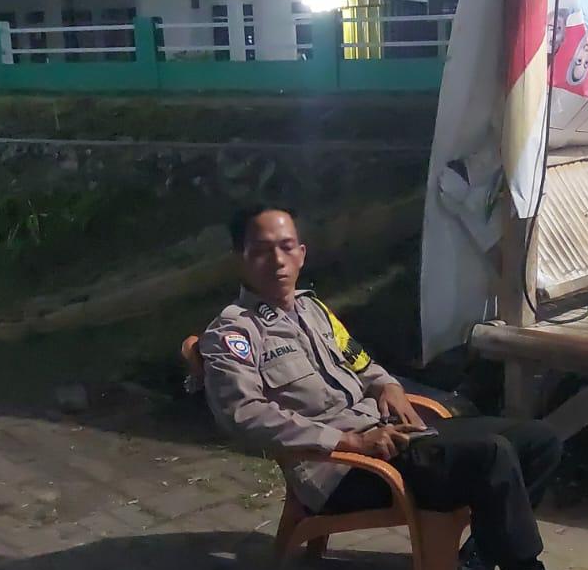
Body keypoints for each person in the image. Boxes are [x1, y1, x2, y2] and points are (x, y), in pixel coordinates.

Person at [195, 204, 561, 570]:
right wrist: (347, 442)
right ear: (240, 260)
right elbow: (243, 414)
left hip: (391, 438)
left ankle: (478, 559)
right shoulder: (235, 332)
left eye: (287, 247)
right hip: (344, 470)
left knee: (539, 440)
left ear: (301, 254)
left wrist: (387, 385)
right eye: (261, 250)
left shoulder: (314, 311)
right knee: (491, 455)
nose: (278, 260)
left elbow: (361, 363)